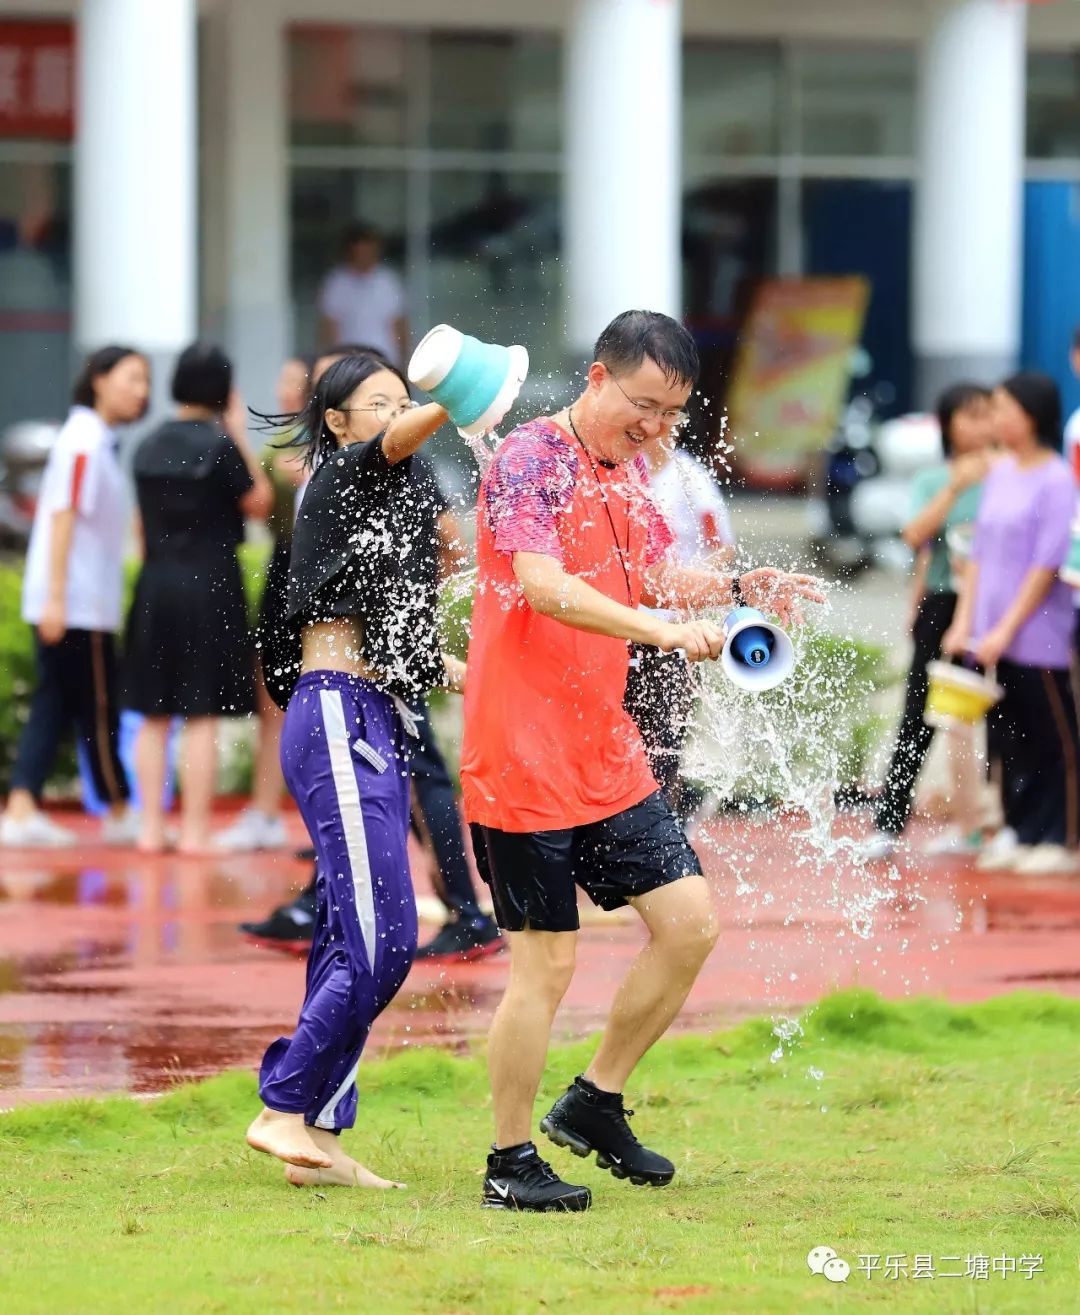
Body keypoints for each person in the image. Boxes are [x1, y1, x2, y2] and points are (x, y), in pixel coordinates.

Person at [460, 310, 822, 1212]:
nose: (657, 428)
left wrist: (743, 588)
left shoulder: (627, 475)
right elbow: (545, 586)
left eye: (673, 415)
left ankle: (594, 1099)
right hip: (522, 758)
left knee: (691, 923)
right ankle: (508, 1161)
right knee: (544, 966)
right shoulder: (529, 462)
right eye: (645, 406)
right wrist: (664, 633)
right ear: (597, 378)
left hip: (603, 752)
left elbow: (654, 576)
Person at [247, 352, 472, 1188]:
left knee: (349, 932)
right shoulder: (339, 475)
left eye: (404, 399)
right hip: (336, 710)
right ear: (338, 423)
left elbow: (404, 642)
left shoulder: (401, 496)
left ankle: (319, 1139)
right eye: (381, 403)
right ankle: (283, 1103)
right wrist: (460, 391)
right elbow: (401, 440)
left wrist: (473, 669)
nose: (401, 413)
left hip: (372, 712)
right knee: (386, 937)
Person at [125, 344, 273, 855]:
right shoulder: (219, 444)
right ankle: (192, 833)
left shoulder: (146, 445)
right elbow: (259, 502)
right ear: (224, 390)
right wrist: (237, 432)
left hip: (155, 583)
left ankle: (148, 830)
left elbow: (140, 526)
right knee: (200, 712)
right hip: (209, 584)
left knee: (153, 713)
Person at [1, 346, 150, 849]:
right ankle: (116, 807)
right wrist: (58, 601)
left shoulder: (93, 441)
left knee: (66, 704)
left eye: (144, 380)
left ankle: (27, 806)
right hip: (78, 605)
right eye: (131, 378)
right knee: (96, 707)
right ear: (100, 380)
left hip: (80, 602)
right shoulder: (84, 442)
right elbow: (62, 516)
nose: (141, 391)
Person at [944, 372, 1080, 876]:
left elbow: (1046, 564)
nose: (994, 417)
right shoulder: (1000, 472)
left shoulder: (1056, 478)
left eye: (1003, 408)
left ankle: (1060, 837)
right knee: (1008, 738)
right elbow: (978, 551)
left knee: (1053, 736)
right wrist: (966, 621)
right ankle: (1020, 829)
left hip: (1036, 634)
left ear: (1031, 415)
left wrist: (1007, 628)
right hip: (988, 633)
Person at [861, 385, 995, 862]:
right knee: (919, 716)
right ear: (949, 423)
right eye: (971, 416)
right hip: (943, 604)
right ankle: (889, 825)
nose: (981, 425)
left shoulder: (1008, 476)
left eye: (989, 415)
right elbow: (917, 536)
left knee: (996, 720)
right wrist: (956, 486)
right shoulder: (934, 478)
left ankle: (984, 823)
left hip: (996, 606)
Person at [216, 353, 316, 853]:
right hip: (284, 570)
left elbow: (260, 492)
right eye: (283, 379)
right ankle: (264, 812)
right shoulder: (284, 438)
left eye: (295, 381)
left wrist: (236, 432)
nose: (284, 390)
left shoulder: (327, 441)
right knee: (270, 696)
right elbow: (262, 503)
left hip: (317, 575)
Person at [625, 436, 736, 818]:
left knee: (666, 734)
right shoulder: (620, 470)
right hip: (623, 622)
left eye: (670, 418)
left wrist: (693, 595)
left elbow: (721, 546)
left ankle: (663, 818)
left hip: (674, 623)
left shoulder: (690, 478)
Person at [317, 224, 408, 365]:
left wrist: (403, 361)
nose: (365, 257)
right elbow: (330, 327)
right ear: (351, 253)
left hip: (384, 358)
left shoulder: (388, 282)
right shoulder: (337, 283)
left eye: (369, 252)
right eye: (361, 252)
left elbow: (399, 324)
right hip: (348, 360)